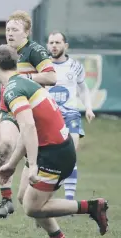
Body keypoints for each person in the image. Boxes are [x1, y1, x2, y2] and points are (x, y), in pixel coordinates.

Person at [0, 44, 108, 237]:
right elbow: (27, 130)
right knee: (23, 196)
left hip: (55, 153)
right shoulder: (23, 83)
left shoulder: (12, 90)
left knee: (32, 207)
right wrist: (12, 164)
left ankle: (93, 207)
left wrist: (33, 164)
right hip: (55, 148)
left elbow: (28, 127)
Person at [0, 10, 57, 218]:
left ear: (26, 32)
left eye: (15, 30)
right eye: (7, 30)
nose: (10, 34)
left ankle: (41, 207)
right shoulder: (4, 52)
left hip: (33, 113)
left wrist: (25, 77)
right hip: (9, 110)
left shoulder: (35, 51)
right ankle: (5, 199)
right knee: (5, 146)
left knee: (27, 194)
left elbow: (51, 77)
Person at [46, 31, 96, 201]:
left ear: (65, 46)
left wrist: (88, 108)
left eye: (57, 42)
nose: (54, 45)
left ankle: (69, 199)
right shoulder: (43, 66)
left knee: (71, 153)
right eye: (51, 42)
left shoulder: (75, 66)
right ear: (47, 45)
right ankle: (46, 197)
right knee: (49, 159)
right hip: (49, 118)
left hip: (70, 116)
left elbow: (83, 89)